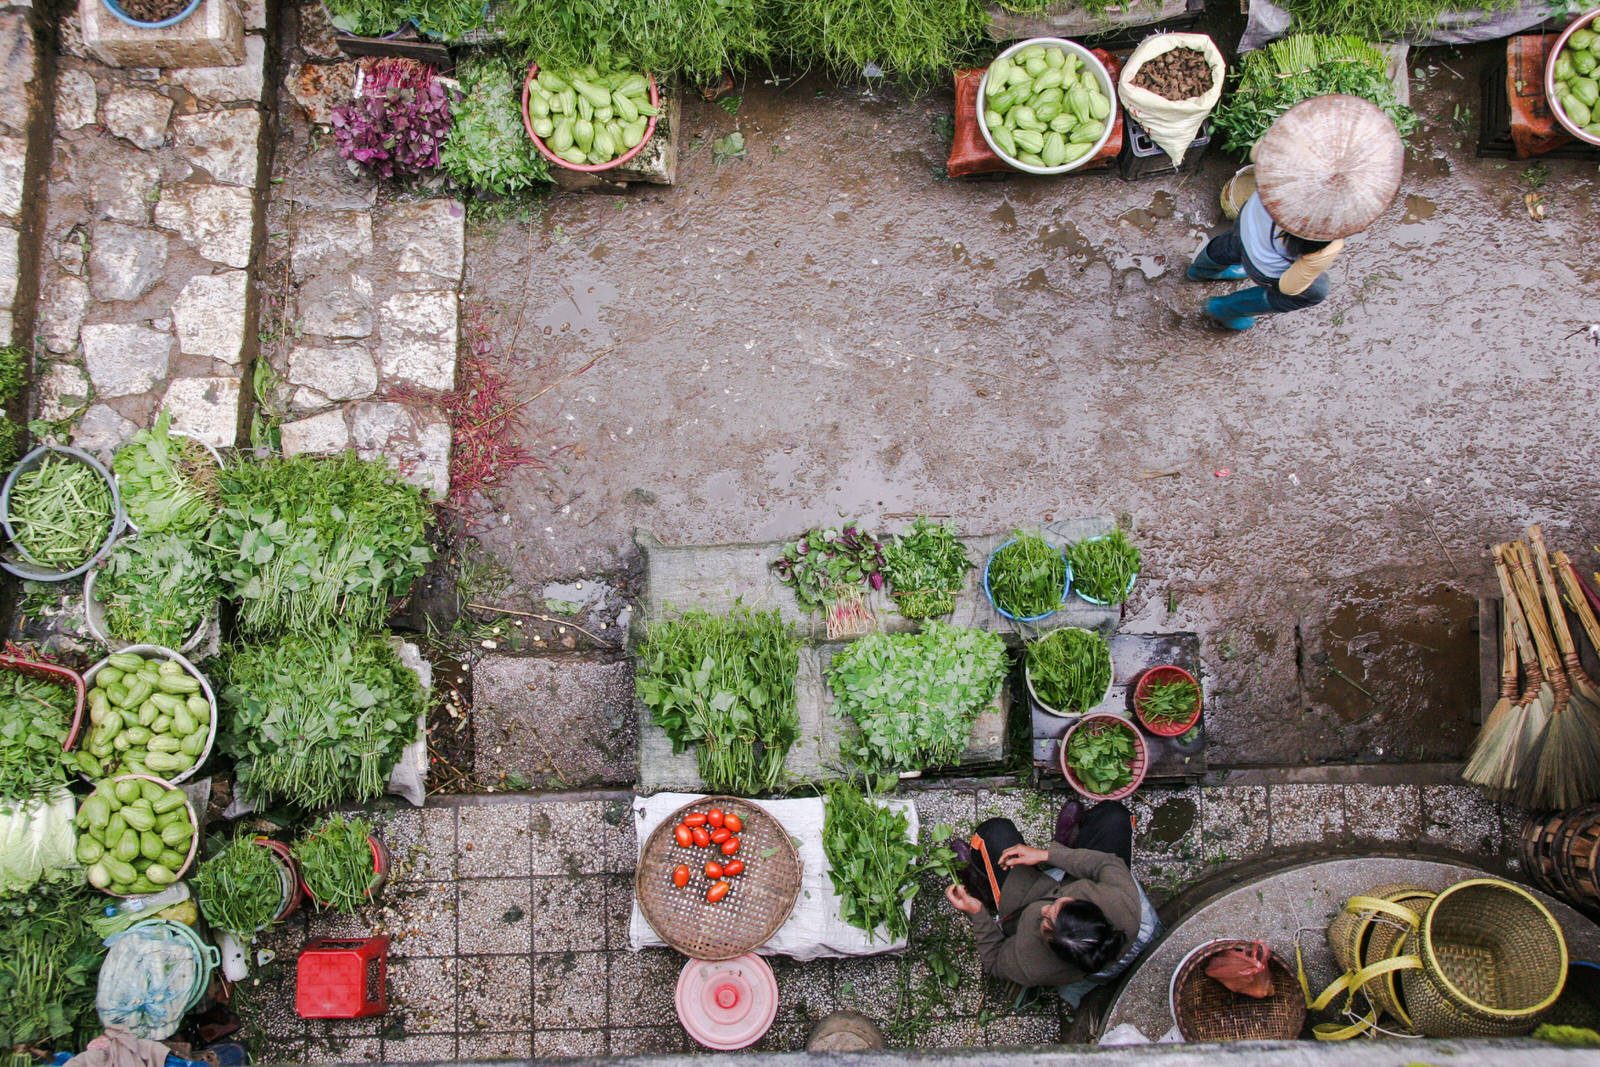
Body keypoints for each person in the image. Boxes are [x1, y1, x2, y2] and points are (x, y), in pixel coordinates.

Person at [1187, 94, 1404, 331]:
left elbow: (1258, 152)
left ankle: (1199, 271)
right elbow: (1290, 287)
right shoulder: (1326, 243)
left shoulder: (1279, 164)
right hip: (1263, 263)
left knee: (1230, 244)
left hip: (1246, 223)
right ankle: (1226, 308)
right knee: (1315, 291)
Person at [945, 799, 1159, 1005]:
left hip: (1026, 897)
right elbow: (1105, 864)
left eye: (1046, 921)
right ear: (1086, 906)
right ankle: (1068, 843)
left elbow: (993, 960)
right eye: (1057, 907)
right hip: (1069, 879)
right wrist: (1048, 855)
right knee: (1114, 816)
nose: (1045, 908)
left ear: (1052, 948)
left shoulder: (1034, 964)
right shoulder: (1119, 900)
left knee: (993, 832)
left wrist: (977, 913)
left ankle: (982, 888)